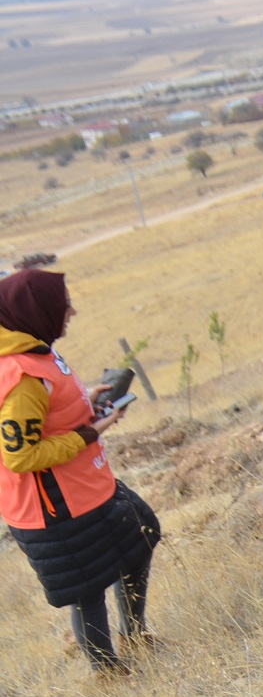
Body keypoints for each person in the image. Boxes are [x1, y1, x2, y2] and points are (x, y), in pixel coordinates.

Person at [0, 270, 161, 674]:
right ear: (38, 312)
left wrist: (85, 398)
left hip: (87, 485)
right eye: (63, 303)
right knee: (88, 590)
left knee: (142, 536)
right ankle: (107, 673)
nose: (71, 309)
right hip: (54, 507)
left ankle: (136, 634)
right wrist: (88, 432)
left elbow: (49, 406)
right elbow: (19, 456)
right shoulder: (20, 376)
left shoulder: (37, 347)